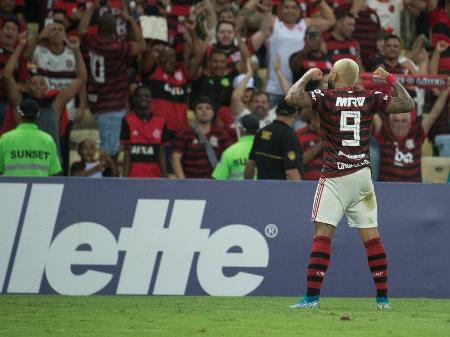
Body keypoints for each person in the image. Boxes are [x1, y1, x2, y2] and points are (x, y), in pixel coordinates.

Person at [285, 58, 415, 309]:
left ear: (334, 74)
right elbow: (407, 104)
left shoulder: (325, 97)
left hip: (334, 176)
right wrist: (389, 78)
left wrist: (308, 76)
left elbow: (291, 98)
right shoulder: (370, 97)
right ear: (355, 78)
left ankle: (311, 299)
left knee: (322, 235)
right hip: (361, 177)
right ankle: (383, 300)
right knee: (372, 238)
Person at [171, 97, 232, 179]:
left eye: (208, 108)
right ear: (194, 113)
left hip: (216, 184)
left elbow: (230, 157)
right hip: (191, 183)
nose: (204, 111)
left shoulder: (222, 134)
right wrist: (183, 182)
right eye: (200, 108)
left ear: (213, 113)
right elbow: (175, 158)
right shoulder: (184, 133)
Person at [244, 100, 303, 180]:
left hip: (261, 189)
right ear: (294, 114)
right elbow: (291, 172)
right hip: (280, 190)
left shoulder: (261, 132)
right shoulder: (289, 136)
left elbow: (250, 165)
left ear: (276, 111)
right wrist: (300, 191)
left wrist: (248, 187)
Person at [0, 99, 61, 177]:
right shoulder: (48, 140)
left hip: (12, 188)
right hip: (40, 188)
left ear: (19, 114)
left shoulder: (5, 139)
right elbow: (53, 170)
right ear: (38, 115)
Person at [120, 85, 169, 178]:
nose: (144, 98)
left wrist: (165, 177)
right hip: (134, 177)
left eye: (147, 96)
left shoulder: (161, 122)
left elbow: (161, 152)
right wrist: (124, 179)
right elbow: (127, 151)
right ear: (134, 99)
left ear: (151, 99)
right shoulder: (127, 121)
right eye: (140, 96)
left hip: (155, 177)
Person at [212, 114, 260, 180]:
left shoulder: (230, 152)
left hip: (235, 190)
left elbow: (218, 180)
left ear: (241, 130)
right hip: (263, 190)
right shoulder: (266, 150)